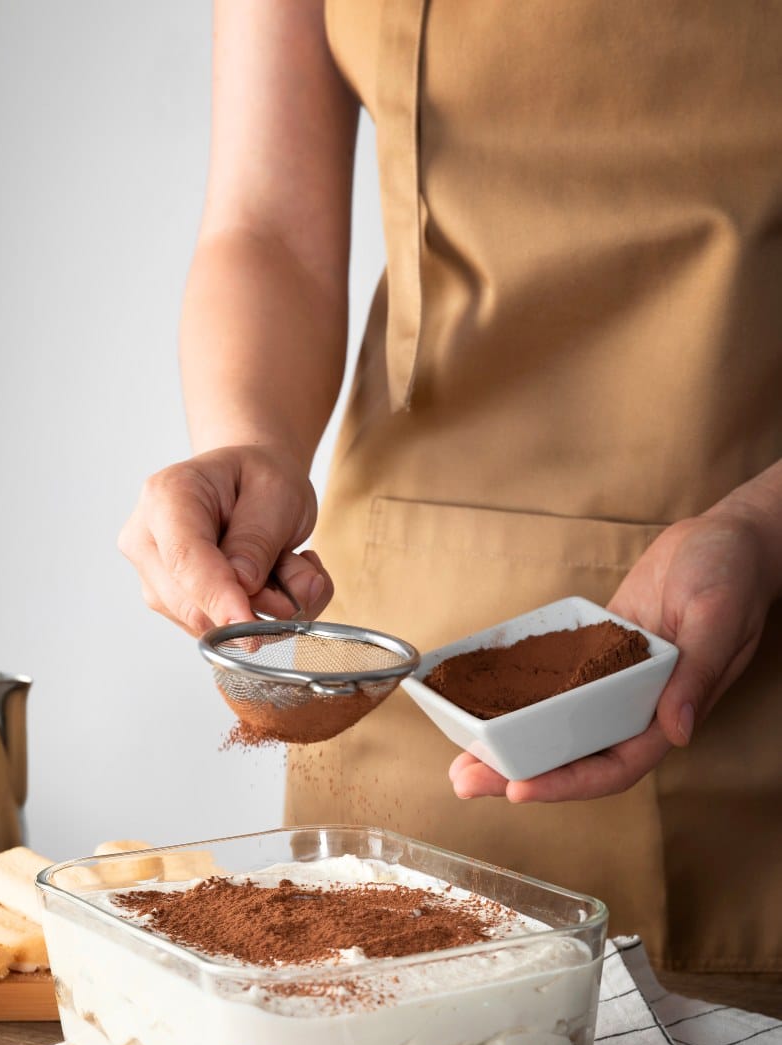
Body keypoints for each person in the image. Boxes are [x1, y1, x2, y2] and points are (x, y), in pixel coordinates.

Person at [119, 0, 782, 971]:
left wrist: (763, 527)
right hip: (404, 675)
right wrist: (246, 445)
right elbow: (269, 229)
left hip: (757, 656)